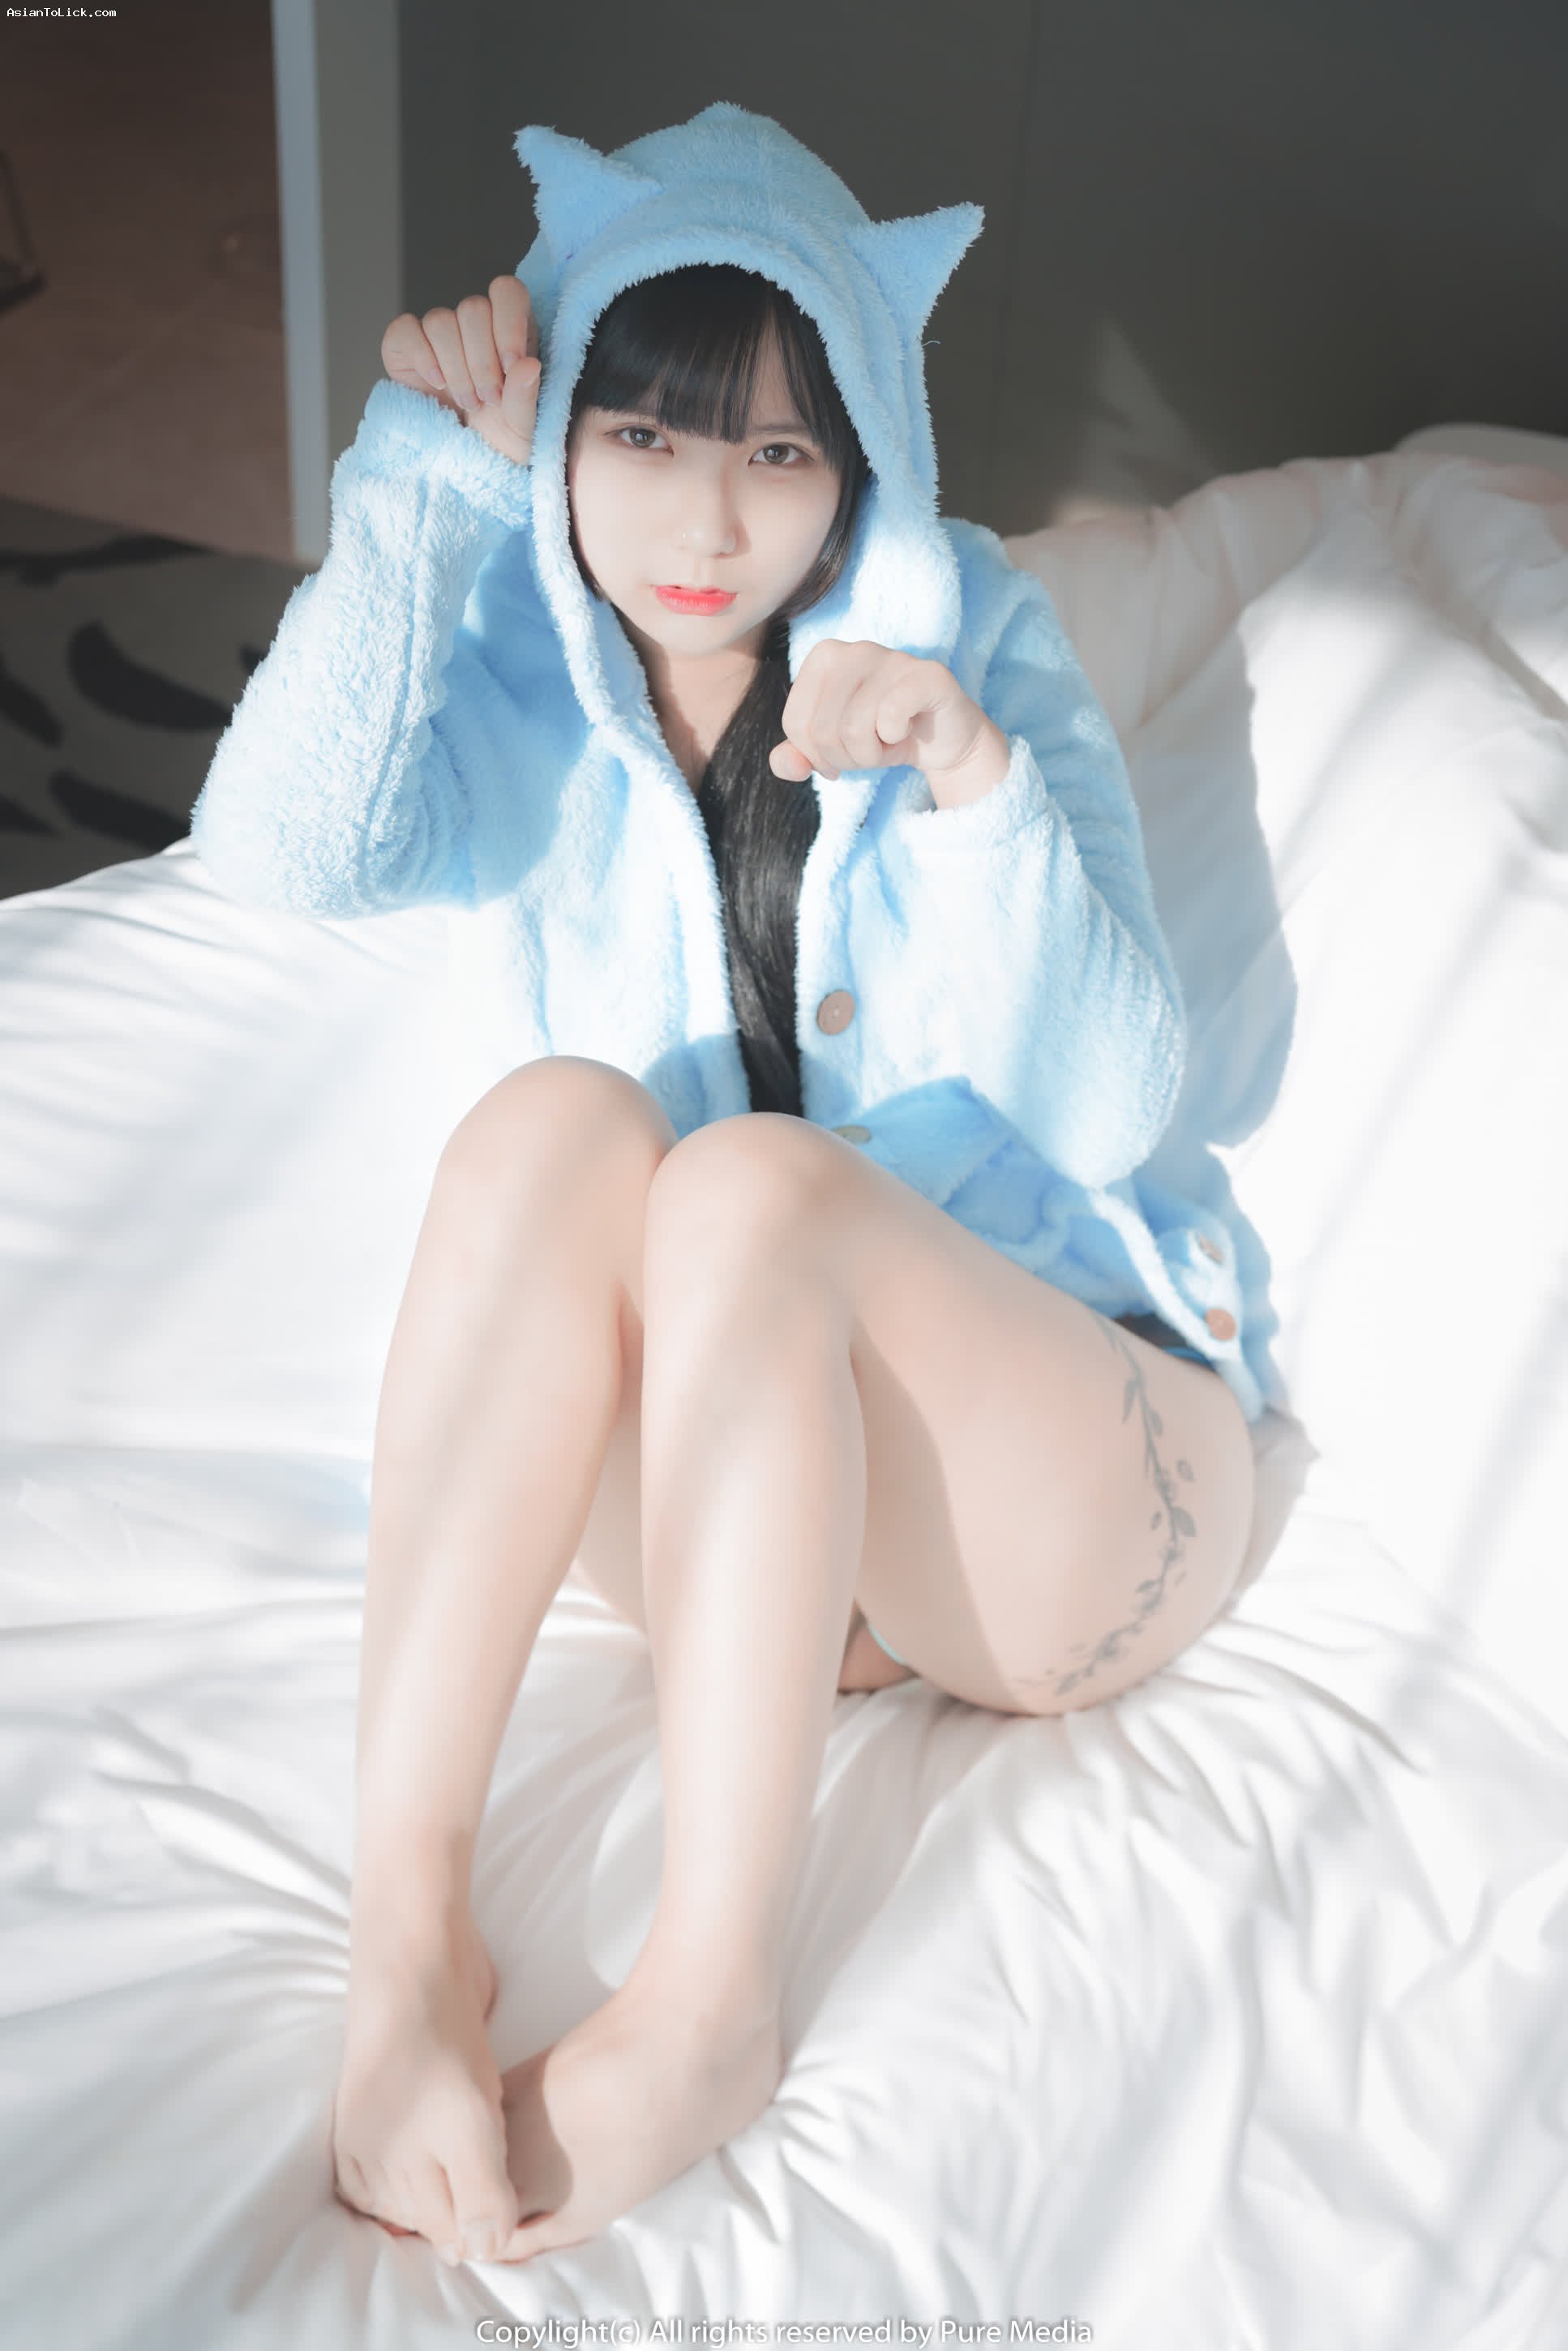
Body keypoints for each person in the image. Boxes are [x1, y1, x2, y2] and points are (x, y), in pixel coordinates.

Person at [190, 101, 1262, 2270]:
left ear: (862, 459)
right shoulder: (525, 663)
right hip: (741, 1523)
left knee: (751, 1191)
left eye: (779, 449)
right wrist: (418, 476)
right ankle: (407, 1936)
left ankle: (708, 2002)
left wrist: (965, 779)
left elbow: (1117, 1101)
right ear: (565, 434)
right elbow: (278, 853)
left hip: (1061, 1488)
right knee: (551, 1128)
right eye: (646, 434)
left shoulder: (973, 645)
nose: (703, 517)